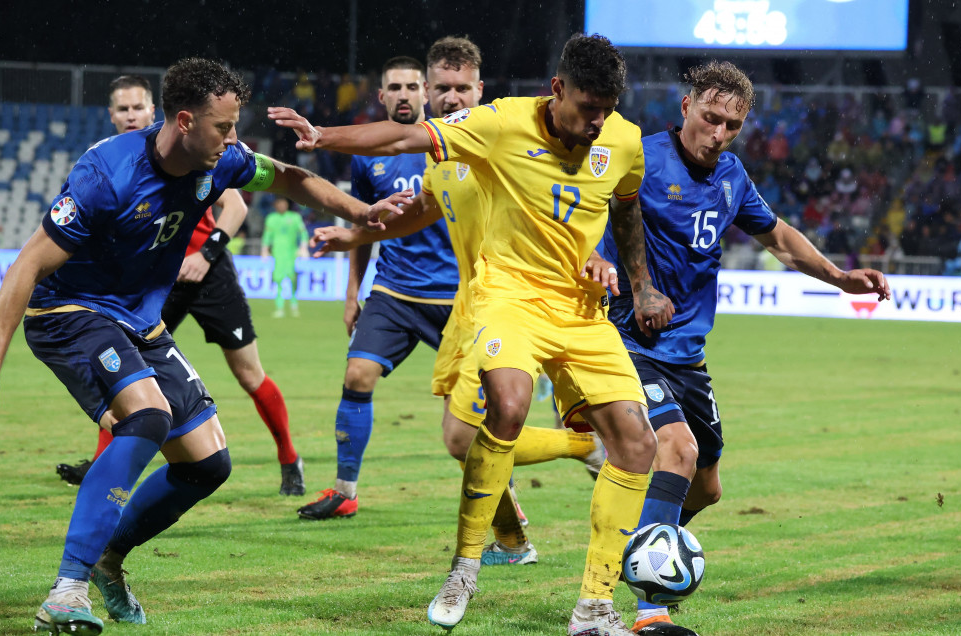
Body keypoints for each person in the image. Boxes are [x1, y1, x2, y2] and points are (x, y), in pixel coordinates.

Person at [0, 57, 408, 635]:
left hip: (141, 322)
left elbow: (291, 177)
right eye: (224, 127)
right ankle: (65, 590)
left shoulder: (222, 160)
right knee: (146, 416)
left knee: (208, 463)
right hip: (70, 312)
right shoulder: (106, 174)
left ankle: (108, 560)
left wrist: (362, 212)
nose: (234, 139)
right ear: (186, 121)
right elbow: (25, 267)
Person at [271, 33, 672, 635]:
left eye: (607, 109)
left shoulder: (623, 139)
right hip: (501, 295)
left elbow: (627, 208)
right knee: (501, 409)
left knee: (638, 445)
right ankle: (465, 567)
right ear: (557, 90)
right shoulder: (498, 126)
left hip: (580, 310)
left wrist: (637, 282)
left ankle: (593, 608)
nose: (597, 121)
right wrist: (324, 140)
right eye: (588, 107)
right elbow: (412, 163)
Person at [597, 61, 891, 636]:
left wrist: (839, 276)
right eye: (710, 118)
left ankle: (629, 543)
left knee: (707, 487)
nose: (719, 133)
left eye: (732, 125)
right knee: (676, 451)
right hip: (629, 340)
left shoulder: (731, 175)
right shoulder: (641, 156)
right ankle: (649, 609)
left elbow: (778, 237)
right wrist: (601, 260)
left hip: (688, 355)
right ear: (685, 108)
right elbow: (589, 209)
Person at [308, 35, 608, 566]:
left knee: (465, 436)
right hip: (470, 309)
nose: (452, 98)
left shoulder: (504, 138)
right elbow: (426, 210)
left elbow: (577, 198)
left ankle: (584, 447)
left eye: (462, 88)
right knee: (462, 438)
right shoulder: (446, 151)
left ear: (480, 89)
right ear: (431, 90)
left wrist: (597, 254)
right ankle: (514, 541)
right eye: (442, 89)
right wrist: (351, 239)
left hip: (515, 305)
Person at [55, 74, 308, 498]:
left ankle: (289, 458)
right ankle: (103, 465)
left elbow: (235, 204)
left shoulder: (191, 150)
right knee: (125, 376)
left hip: (208, 275)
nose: (132, 115)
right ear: (112, 116)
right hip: (151, 281)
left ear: (156, 111)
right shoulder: (109, 165)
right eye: (124, 109)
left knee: (249, 374)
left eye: (139, 107)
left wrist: (207, 253)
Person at [293, 56, 461, 521]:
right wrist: (353, 293)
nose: (404, 94)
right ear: (382, 96)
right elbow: (364, 225)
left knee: (465, 418)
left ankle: (508, 509)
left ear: (425, 92)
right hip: (395, 291)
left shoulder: (453, 142)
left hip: (457, 295)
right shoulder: (371, 156)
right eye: (395, 87)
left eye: (412, 86)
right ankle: (345, 490)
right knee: (357, 375)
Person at [261, 196, 308, 317]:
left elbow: (303, 233)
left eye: (283, 203)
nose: (281, 205)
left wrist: (303, 248)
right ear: (275, 205)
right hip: (277, 254)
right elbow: (267, 236)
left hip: (291, 253)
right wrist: (264, 250)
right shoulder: (271, 218)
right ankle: (279, 307)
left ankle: (294, 304)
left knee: (292, 279)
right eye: (279, 203)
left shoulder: (295, 217)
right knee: (278, 280)